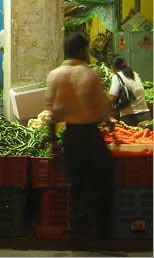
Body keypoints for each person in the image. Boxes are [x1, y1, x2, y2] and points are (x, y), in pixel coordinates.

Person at [45, 31, 113, 251]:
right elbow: (101, 108)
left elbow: (51, 113)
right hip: (90, 135)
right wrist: (108, 121)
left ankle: (78, 233)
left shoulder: (55, 75)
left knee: (75, 185)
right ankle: (102, 229)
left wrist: (53, 140)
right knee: (100, 180)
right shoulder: (89, 74)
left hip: (71, 136)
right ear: (82, 50)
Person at [109, 55, 151, 126]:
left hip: (130, 118)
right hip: (145, 115)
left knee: (132, 136)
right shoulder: (134, 74)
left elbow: (112, 97)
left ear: (112, 66)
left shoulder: (117, 76)